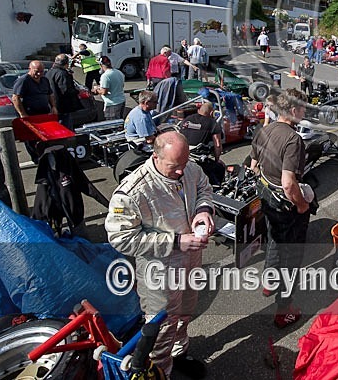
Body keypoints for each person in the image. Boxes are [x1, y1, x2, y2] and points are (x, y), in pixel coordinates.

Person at [105, 131, 215, 377]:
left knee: (185, 311)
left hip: (190, 259)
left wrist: (203, 210)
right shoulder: (134, 191)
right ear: (155, 157)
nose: (181, 171)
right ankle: (160, 371)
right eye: (174, 166)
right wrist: (175, 242)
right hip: (160, 270)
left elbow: (203, 186)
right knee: (162, 326)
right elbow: (120, 238)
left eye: (184, 163)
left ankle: (179, 354)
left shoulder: (189, 168)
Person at [249, 89, 311, 329]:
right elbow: (288, 183)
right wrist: (302, 205)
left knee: (274, 238)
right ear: (294, 110)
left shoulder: (264, 130)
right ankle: (284, 309)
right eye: (303, 108)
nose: (305, 112)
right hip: (285, 203)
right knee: (292, 256)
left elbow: (254, 166)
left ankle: (269, 281)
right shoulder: (293, 139)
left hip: (266, 197)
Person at [12, 60, 57, 163]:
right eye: (36, 71)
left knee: (45, 137)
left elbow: (50, 94)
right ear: (30, 69)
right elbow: (15, 98)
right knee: (31, 139)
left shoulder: (44, 80)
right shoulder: (23, 81)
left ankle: (46, 156)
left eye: (41, 71)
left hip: (43, 114)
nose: (39, 74)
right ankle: (37, 159)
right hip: (29, 114)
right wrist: (22, 114)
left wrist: (53, 107)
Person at [44, 54, 82, 130]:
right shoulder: (62, 73)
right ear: (66, 63)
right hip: (63, 106)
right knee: (65, 127)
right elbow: (66, 90)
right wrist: (77, 91)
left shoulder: (49, 72)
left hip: (52, 105)